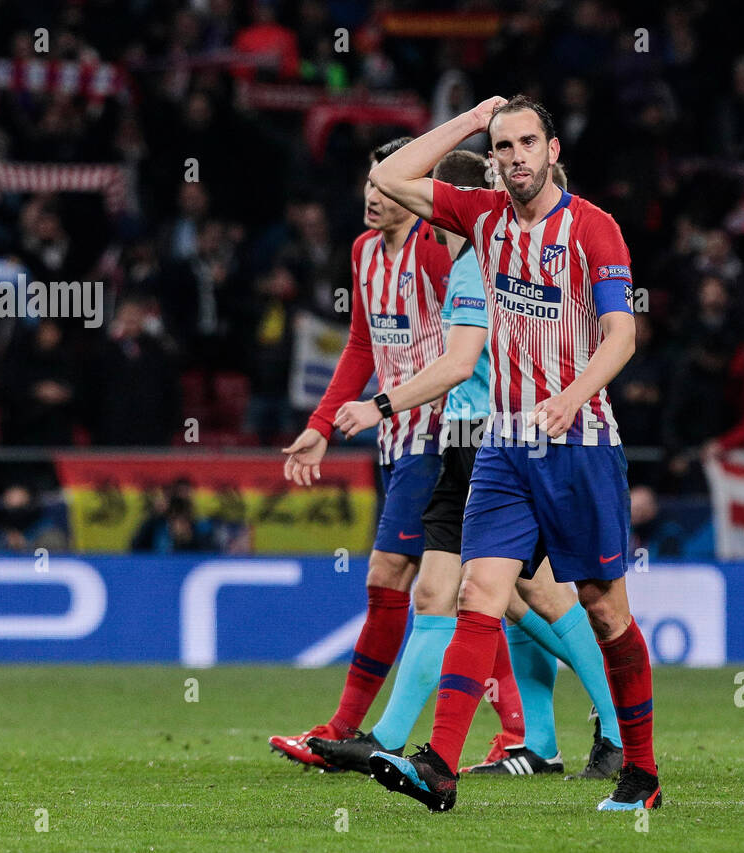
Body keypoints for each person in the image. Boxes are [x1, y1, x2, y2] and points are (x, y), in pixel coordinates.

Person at [365, 94, 660, 813]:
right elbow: (396, 175)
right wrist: (469, 120)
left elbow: (621, 335)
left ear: (553, 150)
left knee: (604, 611)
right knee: (479, 594)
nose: (518, 155)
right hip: (503, 444)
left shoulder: (594, 229)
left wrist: (571, 394)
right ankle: (438, 766)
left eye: (529, 142)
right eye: (505, 146)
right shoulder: (480, 216)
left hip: (581, 441)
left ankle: (641, 770)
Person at [318, 152, 624, 779]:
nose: (489, 195)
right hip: (469, 437)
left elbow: (460, 364)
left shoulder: (482, 264)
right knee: (456, 593)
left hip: (495, 438)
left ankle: (609, 722)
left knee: (528, 596)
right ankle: (410, 738)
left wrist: (378, 404)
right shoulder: (475, 259)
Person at [268, 137, 452, 767]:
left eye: (386, 185)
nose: (374, 197)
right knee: (500, 592)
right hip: (394, 439)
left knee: (389, 577)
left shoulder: (435, 250)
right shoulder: (364, 253)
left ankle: (345, 726)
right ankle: (530, 730)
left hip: (440, 435)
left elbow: (468, 342)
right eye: (369, 185)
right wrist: (320, 423)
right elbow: (361, 347)